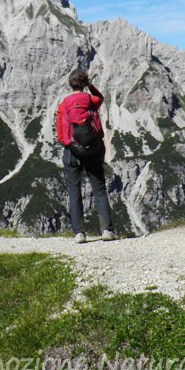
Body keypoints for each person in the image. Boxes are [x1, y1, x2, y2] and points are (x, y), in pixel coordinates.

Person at [56, 69, 117, 243]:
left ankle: (79, 234)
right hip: (93, 151)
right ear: (83, 84)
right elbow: (101, 97)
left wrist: (72, 145)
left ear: (70, 84)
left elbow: (61, 134)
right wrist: (90, 85)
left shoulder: (64, 105)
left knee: (74, 191)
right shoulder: (91, 100)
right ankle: (107, 231)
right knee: (99, 190)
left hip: (72, 153)